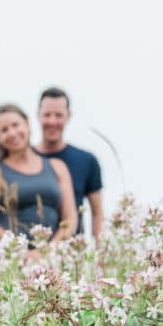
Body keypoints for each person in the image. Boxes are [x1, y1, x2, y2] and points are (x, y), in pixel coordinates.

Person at [0, 103, 77, 255]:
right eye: (4, 130)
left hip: (54, 258)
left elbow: (70, 219)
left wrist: (48, 251)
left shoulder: (58, 167)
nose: (12, 133)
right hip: (12, 259)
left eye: (15, 125)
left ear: (27, 124)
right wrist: (22, 252)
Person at [36, 87, 103, 241]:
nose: (52, 121)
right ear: (38, 115)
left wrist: (101, 256)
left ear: (69, 116)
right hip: (31, 253)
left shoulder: (87, 161)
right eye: (47, 115)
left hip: (73, 253)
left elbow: (97, 213)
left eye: (58, 115)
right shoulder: (22, 160)